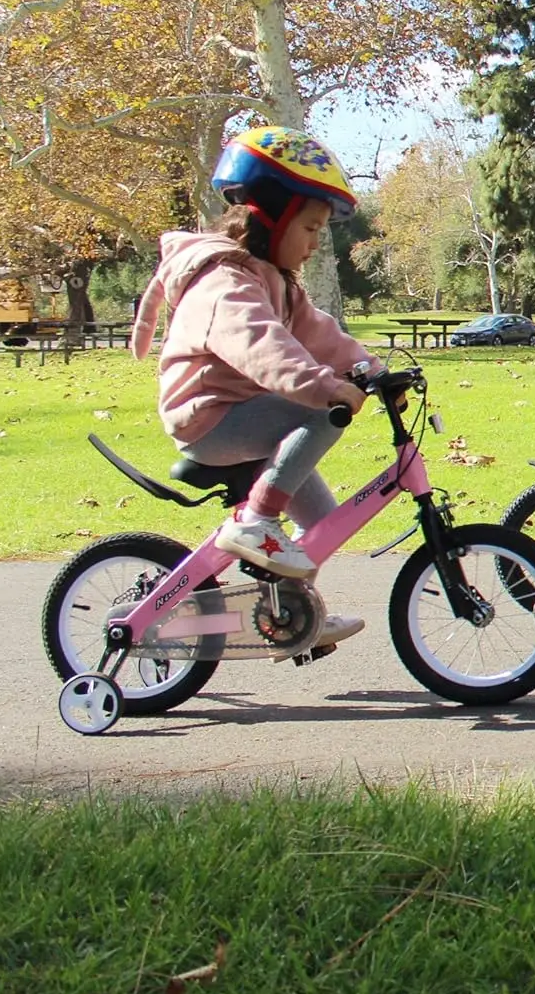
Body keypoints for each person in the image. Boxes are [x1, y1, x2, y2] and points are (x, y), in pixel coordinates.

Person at [131, 126, 376, 651]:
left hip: (249, 415)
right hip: (210, 419)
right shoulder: (225, 281)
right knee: (317, 413)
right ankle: (258, 519)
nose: (314, 243)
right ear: (271, 216)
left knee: (321, 525)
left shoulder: (277, 281)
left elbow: (322, 336)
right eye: (309, 228)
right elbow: (262, 347)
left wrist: (371, 370)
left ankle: (292, 614)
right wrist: (324, 387)